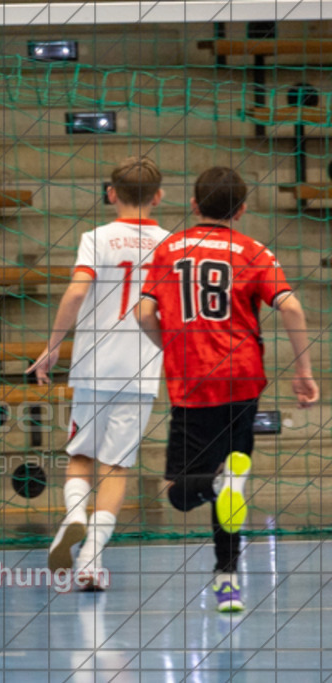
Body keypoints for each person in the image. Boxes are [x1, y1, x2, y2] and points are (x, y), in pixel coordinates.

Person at [136, 166, 320, 612]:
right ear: (241, 209)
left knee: (180, 494)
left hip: (193, 380)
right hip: (242, 379)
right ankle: (227, 582)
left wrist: (172, 346)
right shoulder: (253, 250)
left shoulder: (169, 249)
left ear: (195, 204)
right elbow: (292, 308)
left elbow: (143, 313)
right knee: (229, 484)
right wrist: (303, 371)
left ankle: (220, 493)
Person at [28, 157, 169, 590]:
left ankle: (73, 516)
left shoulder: (96, 238)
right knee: (116, 466)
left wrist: (53, 347)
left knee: (80, 456)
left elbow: (76, 291)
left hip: (93, 365)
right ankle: (90, 561)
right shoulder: (171, 244)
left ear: (111, 194)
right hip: (142, 366)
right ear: (159, 196)